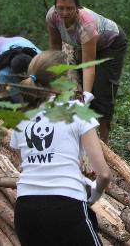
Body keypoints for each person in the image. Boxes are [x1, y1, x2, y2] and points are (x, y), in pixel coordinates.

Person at [11, 50, 110, 246]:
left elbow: (28, 165)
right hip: (66, 206)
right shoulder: (76, 111)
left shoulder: (22, 118)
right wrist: (94, 194)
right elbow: (104, 174)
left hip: (25, 210)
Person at [47, 0, 127, 143]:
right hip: (82, 45)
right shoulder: (52, 17)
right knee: (75, 84)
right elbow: (55, 47)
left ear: (78, 8)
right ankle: (82, 135)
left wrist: (87, 95)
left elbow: (88, 65)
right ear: (55, 7)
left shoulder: (86, 25)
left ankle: (104, 141)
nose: (64, 13)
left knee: (101, 90)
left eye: (69, 8)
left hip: (110, 45)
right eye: (60, 8)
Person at [0, 36, 41, 103]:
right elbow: (14, 94)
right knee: (5, 96)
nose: (26, 76)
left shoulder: (40, 58)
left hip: (17, 41)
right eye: (22, 76)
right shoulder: (4, 73)